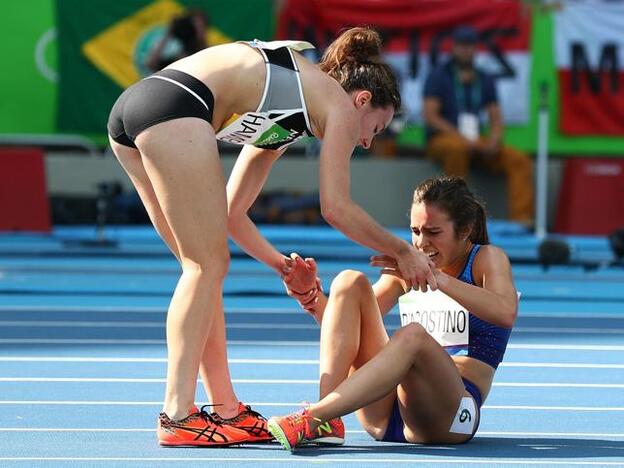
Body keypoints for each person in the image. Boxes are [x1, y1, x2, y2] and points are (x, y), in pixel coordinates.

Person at [106, 27, 437, 447]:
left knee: (203, 274)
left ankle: (226, 410)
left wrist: (281, 265)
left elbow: (232, 212)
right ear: (362, 101)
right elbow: (335, 207)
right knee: (205, 266)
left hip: (137, 109)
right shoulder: (336, 104)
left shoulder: (290, 114)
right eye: (377, 126)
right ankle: (176, 414)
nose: (368, 141)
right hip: (175, 105)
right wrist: (402, 250)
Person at [269, 176, 518, 450]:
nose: (421, 243)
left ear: (465, 230)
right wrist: (311, 297)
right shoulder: (408, 267)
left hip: (451, 414)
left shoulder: (487, 259)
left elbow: (505, 312)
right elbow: (346, 326)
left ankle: (314, 416)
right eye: (415, 231)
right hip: (386, 412)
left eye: (433, 232)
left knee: (413, 336)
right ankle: (327, 421)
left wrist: (437, 279)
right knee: (349, 281)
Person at [422, 25, 534, 225]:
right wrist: (464, 139)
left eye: (470, 46)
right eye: (462, 46)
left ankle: (522, 221)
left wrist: (494, 139)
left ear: (476, 49)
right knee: (457, 149)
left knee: (518, 159)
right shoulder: (440, 75)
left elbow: (496, 117)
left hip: (475, 141)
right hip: (445, 140)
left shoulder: (484, 78)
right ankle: (455, 218)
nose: (466, 50)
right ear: (453, 48)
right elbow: (431, 117)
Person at [145, 9, 209, 73]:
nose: (194, 31)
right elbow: (151, 64)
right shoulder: (174, 63)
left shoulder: (208, 58)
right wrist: (168, 33)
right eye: (192, 26)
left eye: (199, 26)